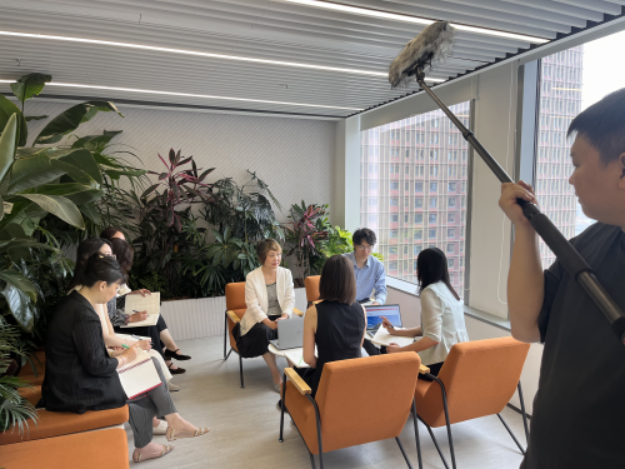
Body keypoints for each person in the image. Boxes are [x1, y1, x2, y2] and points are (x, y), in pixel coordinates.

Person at [499, 89, 625, 468]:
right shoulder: (592, 241)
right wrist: (524, 229)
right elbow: (526, 325)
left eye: (578, 164)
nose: (571, 179)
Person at [42, 254, 208, 463]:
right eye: (115, 288)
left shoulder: (73, 303)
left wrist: (119, 354)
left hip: (69, 380)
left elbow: (87, 354)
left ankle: (170, 423)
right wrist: (125, 358)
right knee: (142, 388)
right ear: (102, 285)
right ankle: (152, 440)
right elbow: (97, 366)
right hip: (75, 391)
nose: (115, 294)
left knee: (150, 364)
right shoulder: (85, 315)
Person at [101, 227, 191, 375]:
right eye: (120, 241)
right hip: (114, 326)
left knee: (151, 314)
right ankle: (162, 365)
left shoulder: (113, 271)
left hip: (117, 319)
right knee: (148, 325)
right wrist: (131, 318)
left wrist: (132, 294)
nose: (124, 244)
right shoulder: (105, 277)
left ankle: (166, 357)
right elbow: (108, 316)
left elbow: (115, 302)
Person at [382, 248, 468, 378]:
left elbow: (433, 338)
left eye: (418, 265)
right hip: (459, 360)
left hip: (439, 365)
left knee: (385, 351)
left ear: (424, 268)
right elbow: (431, 329)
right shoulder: (448, 290)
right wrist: (396, 331)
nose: (416, 270)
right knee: (398, 347)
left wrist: (400, 351)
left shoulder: (430, 292)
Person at [297, 255, 366, 396]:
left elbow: (308, 358)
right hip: (355, 382)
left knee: (295, 372)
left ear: (324, 280)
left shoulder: (313, 312)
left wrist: (327, 368)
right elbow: (358, 346)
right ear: (350, 280)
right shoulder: (361, 309)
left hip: (327, 384)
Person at [234, 239, 295, 392]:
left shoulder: (286, 273)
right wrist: (268, 322)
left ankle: (294, 373)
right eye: (272, 255)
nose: (277, 259)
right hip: (259, 319)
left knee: (292, 329)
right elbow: (253, 306)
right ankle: (276, 374)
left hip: (281, 316)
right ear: (263, 257)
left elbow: (290, 299)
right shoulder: (252, 277)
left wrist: (285, 317)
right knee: (263, 332)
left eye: (278, 254)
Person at [343, 228, 387, 305]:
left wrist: (376, 303)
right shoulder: (342, 261)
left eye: (369, 247)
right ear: (354, 245)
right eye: (361, 246)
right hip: (343, 303)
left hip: (364, 303)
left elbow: (381, 291)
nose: (365, 251)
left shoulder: (377, 265)